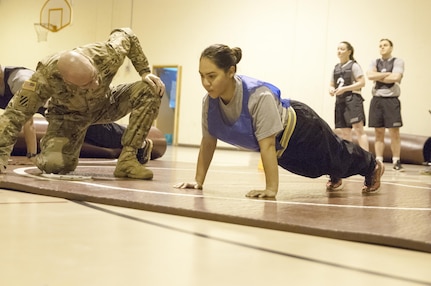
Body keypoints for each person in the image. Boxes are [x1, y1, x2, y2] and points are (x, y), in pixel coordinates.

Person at [175, 44, 384, 198]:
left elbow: (266, 144)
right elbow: (208, 141)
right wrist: (198, 181)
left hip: (303, 128)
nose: (206, 83)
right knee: (315, 170)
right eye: (201, 76)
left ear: (231, 71)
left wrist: (270, 189)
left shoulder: (258, 96)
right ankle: (334, 170)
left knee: (338, 156)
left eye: (212, 76)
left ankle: (372, 166)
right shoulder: (209, 103)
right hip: (283, 149)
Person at [0, 28, 164, 179]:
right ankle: (51, 148)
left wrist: (145, 72)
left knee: (150, 88)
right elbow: (14, 115)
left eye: (95, 78)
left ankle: (129, 160)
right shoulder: (43, 79)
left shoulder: (107, 53)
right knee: (54, 166)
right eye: (86, 84)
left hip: (106, 102)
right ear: (66, 81)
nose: (95, 85)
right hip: (69, 117)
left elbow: (126, 33)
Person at [0, 65, 153, 165]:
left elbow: (28, 122)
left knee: (98, 132)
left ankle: (141, 143)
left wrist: (31, 155)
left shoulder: (19, 80)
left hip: (69, 102)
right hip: (53, 110)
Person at [366, 38, 405, 171]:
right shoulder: (374, 61)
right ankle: (379, 160)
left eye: (385, 45)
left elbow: (396, 78)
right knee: (378, 132)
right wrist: (387, 74)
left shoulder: (397, 61)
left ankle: (396, 160)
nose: (382, 47)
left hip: (391, 100)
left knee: (394, 132)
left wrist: (379, 75)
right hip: (377, 99)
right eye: (380, 45)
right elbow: (369, 76)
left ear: (391, 47)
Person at [329, 41, 369, 151]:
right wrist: (331, 90)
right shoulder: (336, 68)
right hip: (340, 101)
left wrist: (345, 88)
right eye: (338, 49)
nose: (339, 51)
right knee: (345, 132)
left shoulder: (354, 66)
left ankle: (367, 158)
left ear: (349, 51)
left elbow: (362, 83)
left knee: (358, 129)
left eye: (342, 49)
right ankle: (350, 159)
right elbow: (331, 84)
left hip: (353, 100)